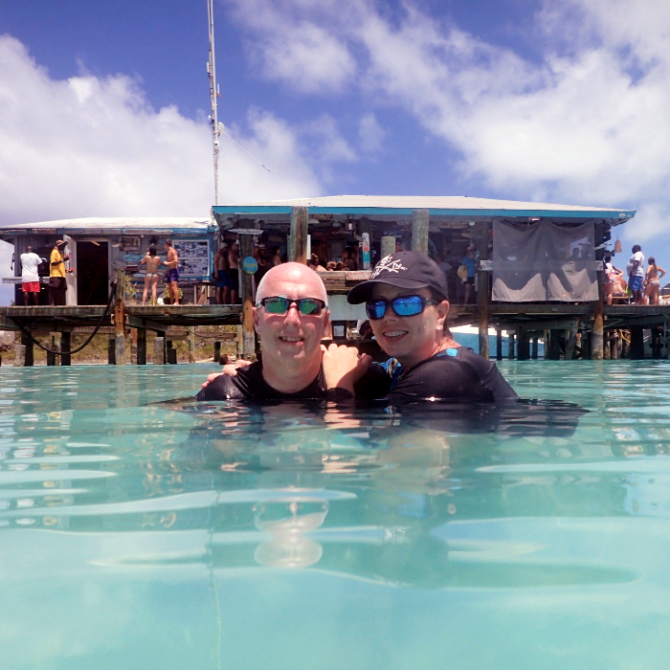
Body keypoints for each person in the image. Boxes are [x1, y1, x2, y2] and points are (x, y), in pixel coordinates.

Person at [346, 251, 518, 403]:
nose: (388, 317)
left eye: (407, 304)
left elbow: (397, 438)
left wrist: (339, 390)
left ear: (440, 313)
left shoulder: (446, 374)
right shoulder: (402, 368)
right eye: (377, 306)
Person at [196, 262, 381, 401]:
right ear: (256, 320)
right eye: (276, 305)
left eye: (310, 307)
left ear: (325, 323)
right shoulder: (224, 395)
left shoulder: (369, 384)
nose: (292, 319)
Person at [49, 240, 71, 306]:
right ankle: (52, 303)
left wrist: (66, 270)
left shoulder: (60, 253)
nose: (64, 247)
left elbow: (60, 265)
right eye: (63, 245)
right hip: (55, 274)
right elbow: (53, 263)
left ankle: (61, 303)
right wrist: (63, 259)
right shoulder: (54, 252)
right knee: (54, 288)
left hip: (61, 274)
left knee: (63, 289)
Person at [163, 240, 180, 305]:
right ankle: (171, 302)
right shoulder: (168, 252)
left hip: (174, 270)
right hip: (170, 271)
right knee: (170, 287)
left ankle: (177, 302)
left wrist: (167, 263)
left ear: (166, 245)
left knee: (174, 286)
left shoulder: (173, 251)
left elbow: (176, 261)